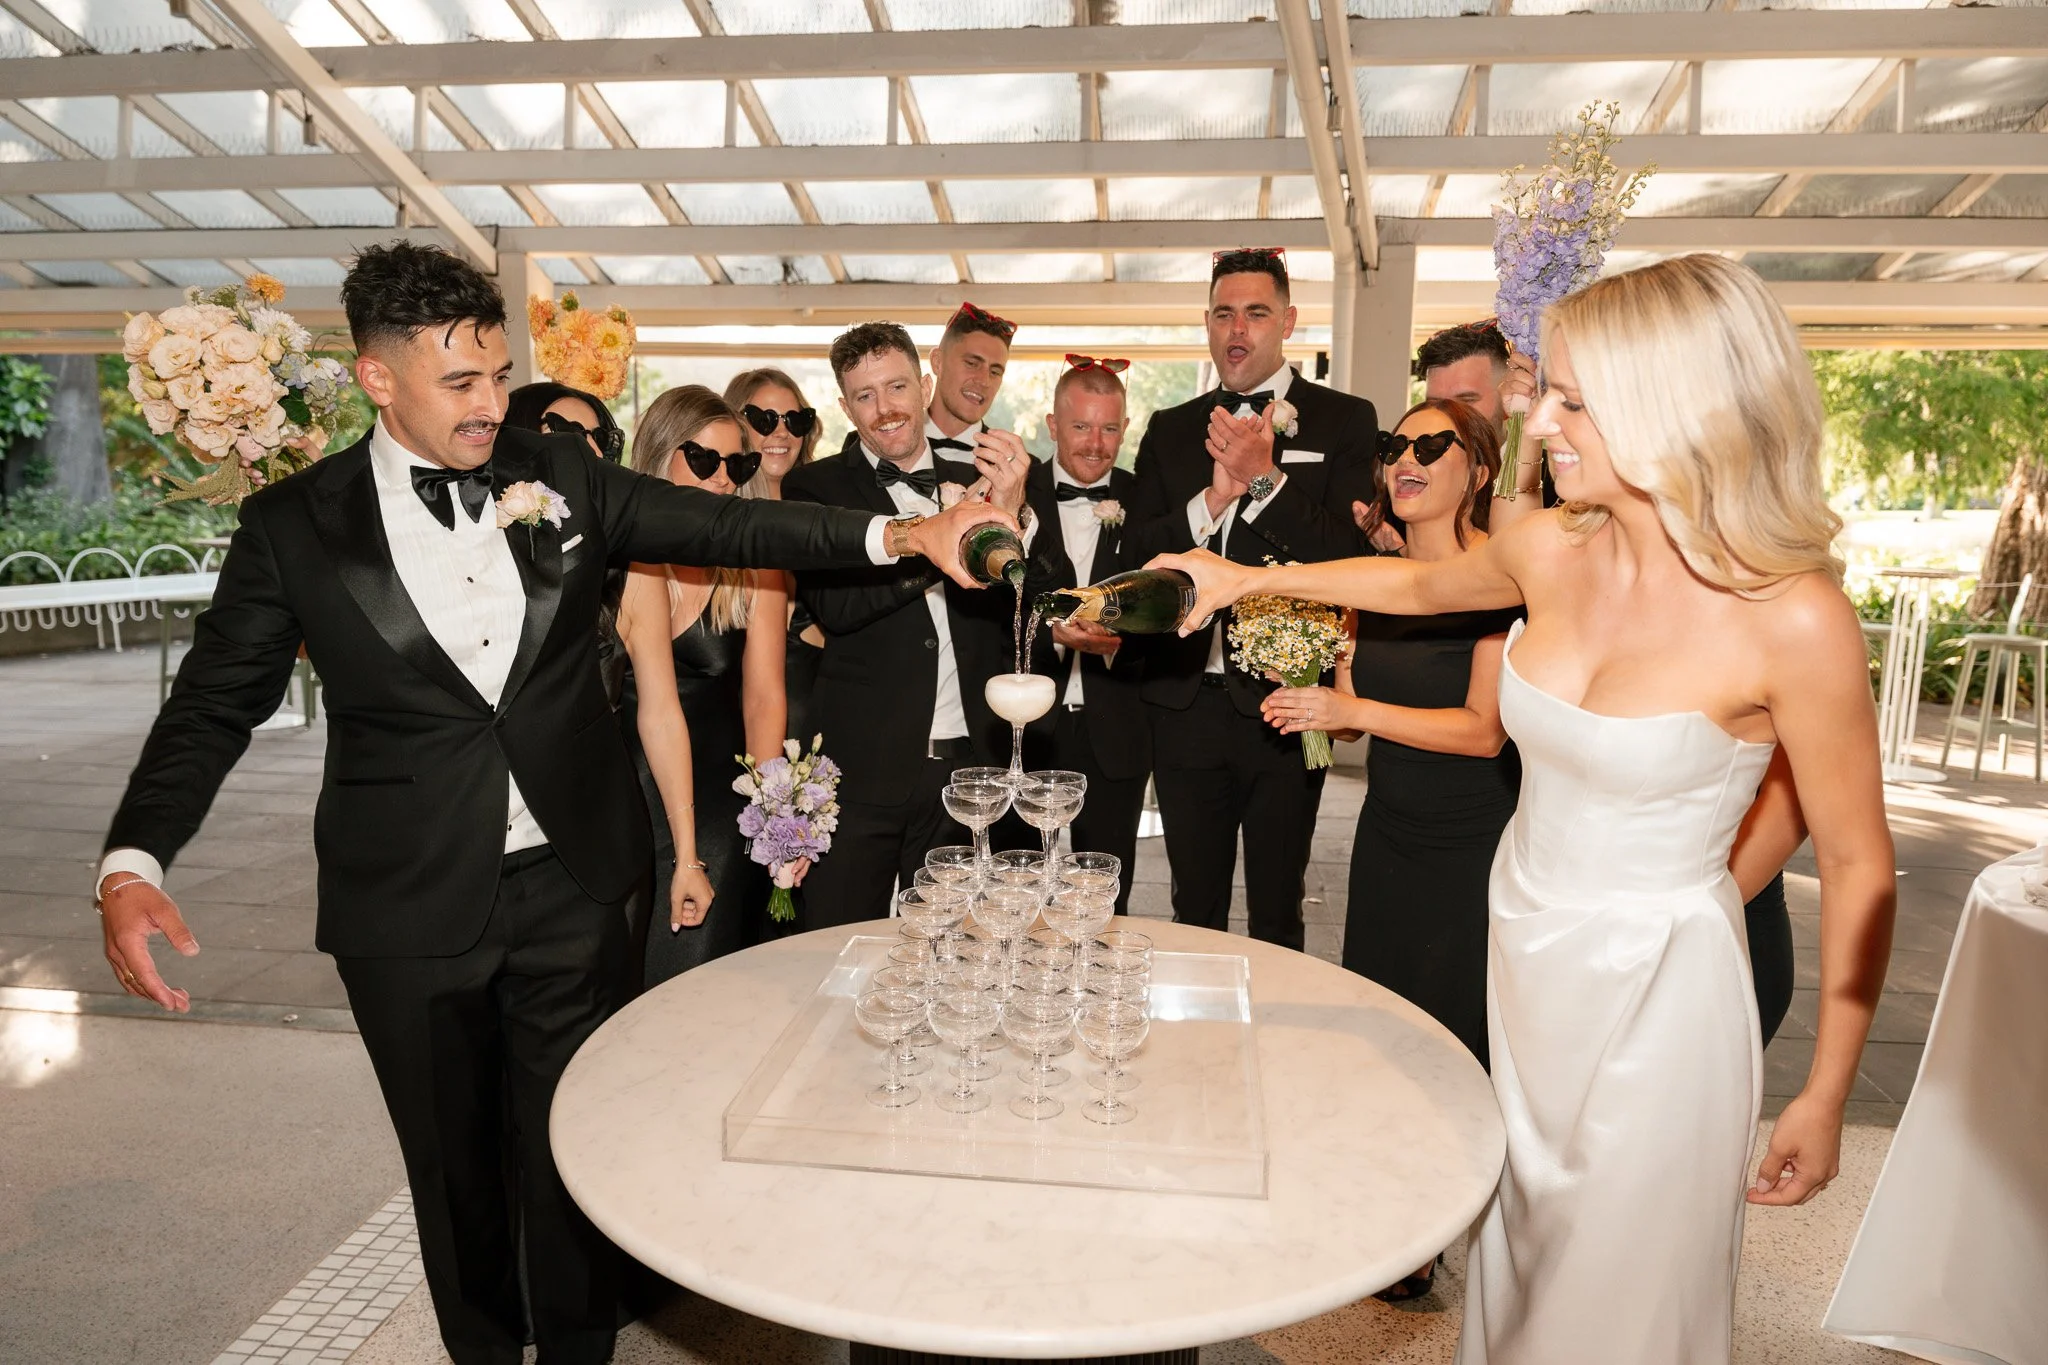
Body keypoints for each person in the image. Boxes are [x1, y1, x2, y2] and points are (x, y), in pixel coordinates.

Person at [91, 242, 1008, 1365]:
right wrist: (134, 860)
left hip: (575, 882)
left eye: (495, 373)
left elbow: (725, 529)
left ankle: (579, 1351)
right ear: (378, 379)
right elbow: (209, 707)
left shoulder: (558, 474)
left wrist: (900, 533)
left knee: (572, 1152)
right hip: (408, 907)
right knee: (455, 1172)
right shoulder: (293, 526)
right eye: (459, 383)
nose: (490, 405)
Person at [1154, 253, 1895, 1363]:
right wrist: (1243, 581)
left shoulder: (1792, 620)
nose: (1534, 416)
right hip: (1527, 953)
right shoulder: (1552, 549)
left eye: (1571, 401)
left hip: (1657, 993)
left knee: (1618, 1287)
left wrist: (1824, 1092)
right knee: (1522, 1251)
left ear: (1671, 411)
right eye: (1541, 389)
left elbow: (1859, 865)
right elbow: (1412, 584)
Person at [1400, 318, 1803, 1046]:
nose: (1468, 422)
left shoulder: (1767, 596)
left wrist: (1690, 926)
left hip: (1691, 932)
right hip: (1566, 940)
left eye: (1478, 403)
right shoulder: (1569, 534)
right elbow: (1451, 577)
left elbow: (1797, 796)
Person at [1264, 397, 1516, 1302]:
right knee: (1384, 1027)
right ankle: (1397, 1222)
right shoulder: (1374, 580)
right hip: (1389, 836)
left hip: (1471, 843)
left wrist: (1350, 709)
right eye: (1394, 446)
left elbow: (1485, 732)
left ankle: (1459, 1214)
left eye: (1431, 445)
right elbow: (1356, 734)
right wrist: (1310, 687)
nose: (1404, 459)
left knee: (1456, 1036)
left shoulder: (1498, 582)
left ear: (1478, 471)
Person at [1122, 246, 1378, 951]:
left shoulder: (1345, 419)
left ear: (1289, 320)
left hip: (1288, 702)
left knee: (1277, 908)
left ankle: (1275, 1052)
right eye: (1225, 314)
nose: (1239, 330)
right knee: (1191, 905)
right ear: (1207, 323)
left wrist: (1265, 481)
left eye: (1257, 313)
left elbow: (1351, 561)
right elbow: (1133, 558)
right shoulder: (1170, 427)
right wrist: (1211, 497)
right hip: (1182, 703)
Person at [782, 321, 1036, 927]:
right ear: (845, 406)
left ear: (924, 386)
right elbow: (838, 609)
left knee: (956, 949)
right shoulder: (813, 488)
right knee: (841, 943)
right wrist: (941, 543)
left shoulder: (977, 471)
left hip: (967, 767)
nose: (885, 410)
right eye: (864, 396)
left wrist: (1012, 511)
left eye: (896, 387)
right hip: (860, 769)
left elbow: (1035, 595)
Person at [617, 385, 790, 986]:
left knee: (697, 979)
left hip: (716, 802)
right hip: (619, 793)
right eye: (704, 460)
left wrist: (775, 818)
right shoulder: (615, 560)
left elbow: (764, 697)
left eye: (737, 465)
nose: (723, 479)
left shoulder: (753, 564)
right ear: (660, 452)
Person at [1021, 356, 1148, 915]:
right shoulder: (1013, 492)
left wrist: (1124, 643)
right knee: (1021, 887)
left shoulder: (1150, 501)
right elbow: (983, 610)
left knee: (1104, 895)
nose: (1096, 444)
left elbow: (1174, 614)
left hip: (1117, 726)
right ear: (1052, 425)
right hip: (1029, 725)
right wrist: (1053, 634)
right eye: (1080, 427)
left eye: (1110, 428)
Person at [724, 367, 825, 749]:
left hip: (811, 737)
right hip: (724, 729)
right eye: (762, 419)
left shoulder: (824, 522)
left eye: (795, 420)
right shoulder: (712, 523)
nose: (780, 432)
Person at [925, 301, 1014, 454]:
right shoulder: (882, 447)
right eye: (972, 364)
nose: (984, 381)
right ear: (937, 362)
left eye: (995, 372)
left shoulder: (1022, 469)